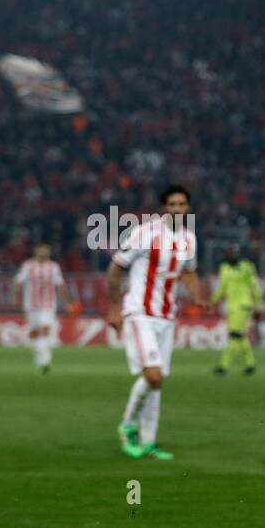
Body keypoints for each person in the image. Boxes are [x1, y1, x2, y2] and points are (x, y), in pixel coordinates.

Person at [107, 185, 207, 460]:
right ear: (164, 207)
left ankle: (148, 442)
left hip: (167, 316)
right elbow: (116, 267)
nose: (177, 209)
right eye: (172, 204)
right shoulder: (144, 232)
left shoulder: (189, 239)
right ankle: (127, 426)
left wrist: (197, 297)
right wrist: (115, 309)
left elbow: (188, 272)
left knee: (157, 382)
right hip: (139, 312)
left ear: (187, 208)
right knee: (153, 375)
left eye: (182, 204)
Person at [12, 243, 70, 372]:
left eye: (46, 251)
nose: (44, 253)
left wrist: (67, 302)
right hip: (31, 306)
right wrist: (15, 297)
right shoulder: (28, 266)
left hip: (48, 305)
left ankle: (45, 360)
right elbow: (18, 282)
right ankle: (39, 356)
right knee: (35, 333)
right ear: (36, 251)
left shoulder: (53, 267)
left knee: (45, 330)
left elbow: (60, 285)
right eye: (41, 251)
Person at [210, 243, 262, 376]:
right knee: (240, 336)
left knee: (235, 335)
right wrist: (213, 302)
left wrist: (257, 306)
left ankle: (223, 365)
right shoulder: (224, 268)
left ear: (238, 253)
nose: (231, 255)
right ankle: (250, 364)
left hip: (243, 305)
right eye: (229, 253)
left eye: (233, 252)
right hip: (231, 307)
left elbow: (255, 287)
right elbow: (222, 287)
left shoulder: (247, 267)